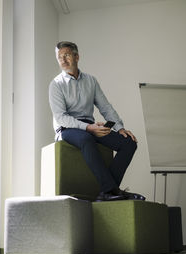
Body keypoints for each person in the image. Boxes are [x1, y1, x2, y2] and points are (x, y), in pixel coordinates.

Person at [49, 41, 145, 201]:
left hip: (90, 125)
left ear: (76, 56)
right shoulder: (56, 85)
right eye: (60, 57)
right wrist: (89, 128)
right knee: (86, 139)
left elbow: (105, 107)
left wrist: (120, 128)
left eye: (66, 55)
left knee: (129, 143)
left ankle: (108, 191)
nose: (63, 60)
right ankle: (112, 190)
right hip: (67, 129)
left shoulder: (91, 81)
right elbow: (61, 118)